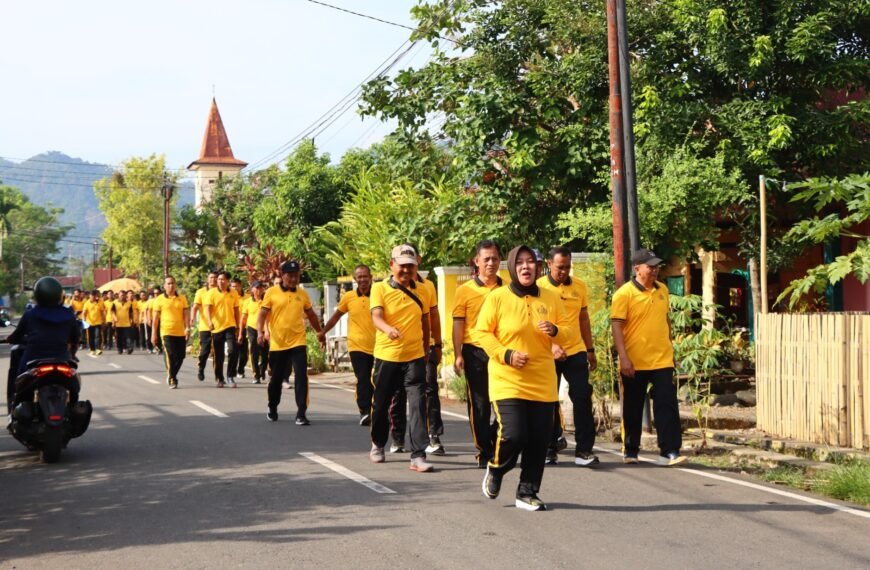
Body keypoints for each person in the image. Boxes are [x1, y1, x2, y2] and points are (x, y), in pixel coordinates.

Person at [476, 245, 573, 511]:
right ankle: (496, 468)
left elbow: (568, 332)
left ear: (539, 267)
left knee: (539, 439)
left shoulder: (551, 298)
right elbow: (482, 333)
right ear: (511, 267)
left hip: (542, 378)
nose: (526, 267)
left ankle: (527, 491)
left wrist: (554, 330)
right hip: (507, 378)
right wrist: (505, 354)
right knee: (515, 434)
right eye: (520, 262)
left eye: (531, 262)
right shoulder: (497, 298)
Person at [611, 248, 686, 466]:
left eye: (656, 266)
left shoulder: (662, 289)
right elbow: (617, 326)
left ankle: (670, 450)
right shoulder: (624, 294)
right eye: (650, 266)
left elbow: (666, 321)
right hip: (634, 360)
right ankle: (631, 449)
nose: (655, 270)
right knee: (633, 406)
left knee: (667, 404)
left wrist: (671, 349)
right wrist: (623, 357)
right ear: (637, 268)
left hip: (661, 359)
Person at [367, 244, 434, 473]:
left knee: (417, 405)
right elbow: (376, 317)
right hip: (387, 356)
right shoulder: (379, 288)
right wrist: (388, 329)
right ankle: (378, 442)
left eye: (411, 266)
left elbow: (425, 323)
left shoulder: (423, 290)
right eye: (402, 265)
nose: (406, 270)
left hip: (414, 356)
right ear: (392, 265)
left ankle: (418, 455)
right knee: (382, 404)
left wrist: (426, 350)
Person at [538, 246, 598, 466]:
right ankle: (549, 446)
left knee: (582, 397)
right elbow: (535, 324)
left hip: (575, 350)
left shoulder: (579, 287)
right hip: (546, 353)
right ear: (549, 264)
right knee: (547, 401)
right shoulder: (538, 288)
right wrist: (553, 345)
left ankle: (584, 451)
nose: (563, 271)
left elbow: (583, 320)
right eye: (560, 267)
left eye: (567, 267)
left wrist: (590, 350)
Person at [386, 245, 443, 454]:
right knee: (398, 394)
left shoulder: (427, 287)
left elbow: (433, 318)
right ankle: (398, 437)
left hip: (422, 349)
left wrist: (436, 344)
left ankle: (433, 436)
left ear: (418, 260)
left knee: (428, 390)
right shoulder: (386, 287)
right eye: (403, 262)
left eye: (412, 261)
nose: (408, 266)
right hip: (396, 351)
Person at [453, 239, 504, 467]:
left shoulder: (507, 288)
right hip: (474, 352)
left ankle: (495, 440)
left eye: (494, 258)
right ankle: (484, 451)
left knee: (504, 403)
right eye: (486, 259)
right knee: (480, 404)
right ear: (477, 262)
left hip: (502, 353)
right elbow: (458, 325)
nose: (491, 263)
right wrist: (457, 354)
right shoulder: (464, 291)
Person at [257, 260, 322, 425]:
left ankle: (301, 413)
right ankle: (272, 407)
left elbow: (312, 315)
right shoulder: (271, 292)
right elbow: (262, 314)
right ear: (282, 275)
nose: (293, 279)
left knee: (301, 377)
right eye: (290, 276)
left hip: (298, 342)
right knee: (276, 379)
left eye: (296, 276)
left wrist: (319, 332)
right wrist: (260, 332)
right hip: (278, 344)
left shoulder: (302, 294)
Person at [5, 277, 80, 406]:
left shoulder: (30, 314)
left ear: (37, 295)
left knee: (18, 380)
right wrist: (72, 354)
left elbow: (16, 336)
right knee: (74, 384)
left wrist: (9, 339)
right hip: (62, 358)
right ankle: (72, 407)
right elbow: (75, 339)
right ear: (59, 295)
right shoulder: (69, 314)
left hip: (33, 358)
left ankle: (14, 404)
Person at [318, 264, 376, 426]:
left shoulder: (379, 295)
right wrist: (323, 332)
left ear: (370, 278)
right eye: (360, 277)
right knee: (363, 379)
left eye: (365, 276)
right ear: (355, 279)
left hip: (380, 346)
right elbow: (336, 317)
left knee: (379, 380)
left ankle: (377, 409)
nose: (363, 280)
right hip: (357, 346)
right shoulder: (349, 297)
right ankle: (365, 411)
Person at [151, 275, 190, 389]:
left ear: (175, 284)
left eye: (172, 283)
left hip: (180, 332)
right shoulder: (159, 300)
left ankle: (171, 373)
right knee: (171, 355)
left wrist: (187, 327)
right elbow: (155, 319)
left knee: (181, 356)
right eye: (168, 283)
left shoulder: (182, 298)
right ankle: (173, 378)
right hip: (166, 332)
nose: (171, 285)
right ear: (164, 286)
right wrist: (154, 334)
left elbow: (186, 314)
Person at [204, 271, 240, 388]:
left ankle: (230, 376)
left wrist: (238, 326)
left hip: (230, 326)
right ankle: (219, 378)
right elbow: (208, 309)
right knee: (218, 355)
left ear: (228, 281)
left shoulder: (233, 293)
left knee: (233, 350)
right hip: (216, 327)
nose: (220, 281)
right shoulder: (211, 293)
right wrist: (209, 322)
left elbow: (236, 310)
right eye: (219, 279)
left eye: (223, 279)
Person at [239, 281, 268, 384]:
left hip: (265, 329)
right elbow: (243, 318)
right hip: (252, 328)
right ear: (252, 289)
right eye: (257, 288)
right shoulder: (247, 302)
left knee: (265, 354)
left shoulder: (266, 301)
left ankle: (262, 369)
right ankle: (256, 375)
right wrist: (240, 333)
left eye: (261, 288)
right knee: (253, 352)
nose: (259, 290)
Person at [191, 271, 218, 381]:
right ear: (208, 279)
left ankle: (218, 375)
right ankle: (201, 367)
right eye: (211, 277)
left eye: (215, 277)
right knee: (205, 351)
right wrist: (192, 318)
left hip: (218, 327)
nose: (213, 279)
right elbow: (195, 307)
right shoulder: (201, 292)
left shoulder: (220, 292)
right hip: (205, 326)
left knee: (217, 352)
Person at [232, 277, 250, 379]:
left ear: (240, 286)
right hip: (233, 327)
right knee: (233, 351)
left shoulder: (248, 298)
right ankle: (233, 370)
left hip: (245, 327)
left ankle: (241, 369)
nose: (235, 288)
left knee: (244, 353)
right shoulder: (229, 296)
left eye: (236, 286)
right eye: (233, 286)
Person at [81, 289, 105, 355]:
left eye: (95, 296)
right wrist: (84, 321)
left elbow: (102, 312)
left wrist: (103, 321)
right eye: (92, 296)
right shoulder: (87, 303)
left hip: (98, 322)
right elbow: (84, 313)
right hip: (89, 323)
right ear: (90, 296)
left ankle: (98, 349)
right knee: (91, 337)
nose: (94, 298)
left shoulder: (100, 302)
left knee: (98, 336)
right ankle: (92, 349)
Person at [111, 290, 135, 355]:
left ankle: (129, 348)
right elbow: (112, 312)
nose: (122, 296)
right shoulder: (115, 303)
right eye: (121, 295)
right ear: (118, 295)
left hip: (127, 323)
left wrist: (132, 320)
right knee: (119, 337)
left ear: (125, 296)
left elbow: (131, 313)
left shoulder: (129, 303)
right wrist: (114, 320)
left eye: (124, 295)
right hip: (118, 324)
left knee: (128, 337)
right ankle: (119, 349)